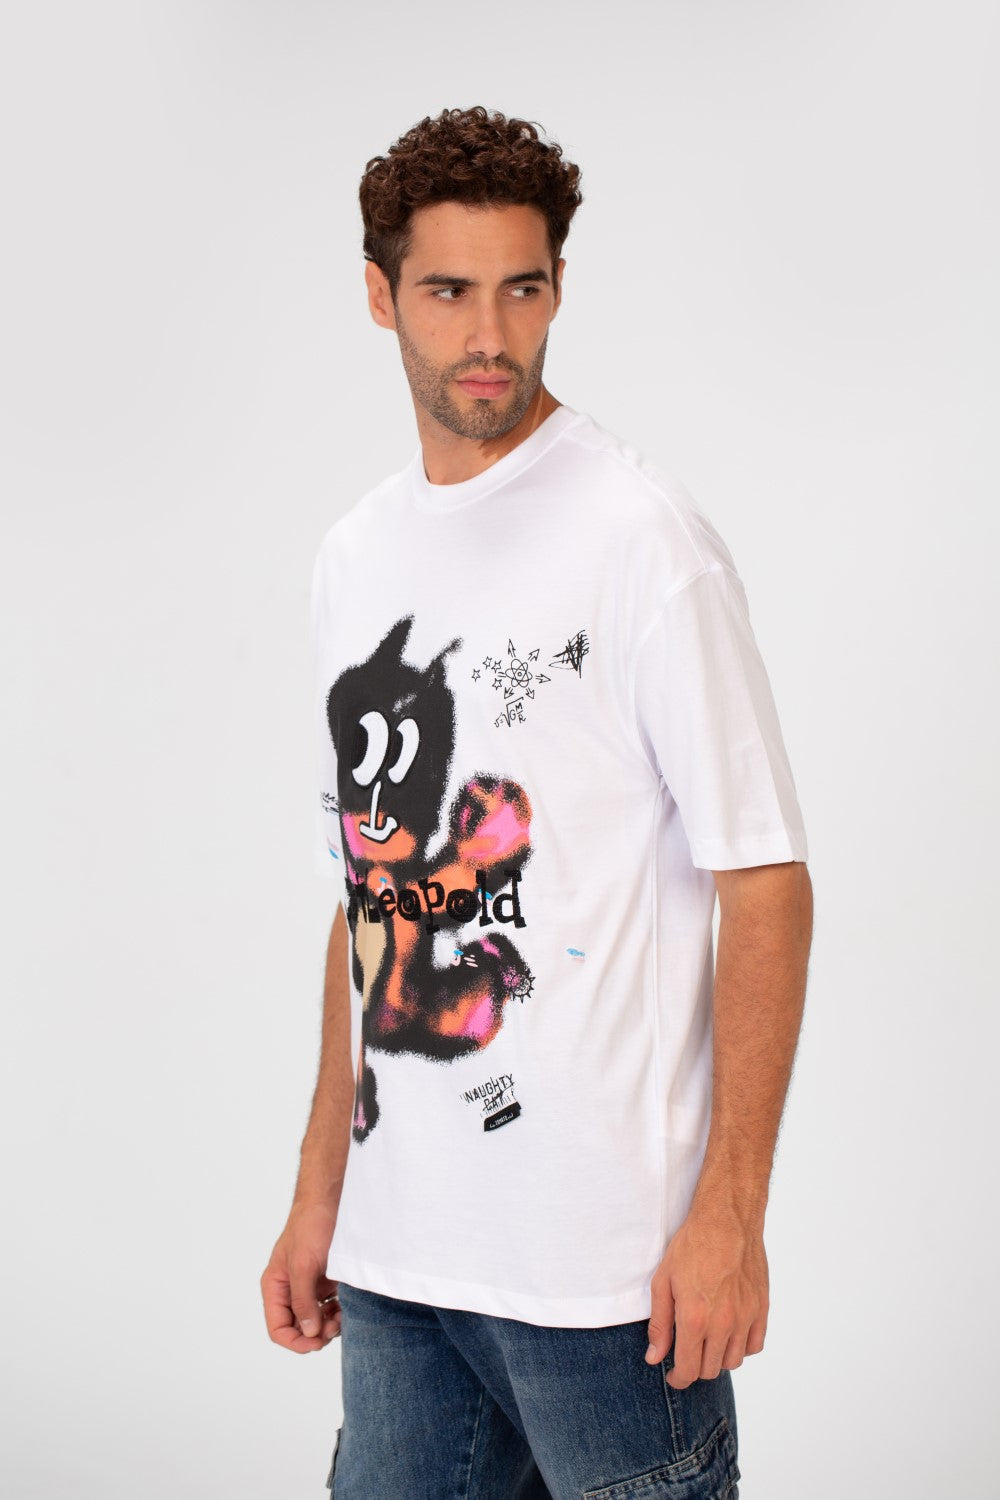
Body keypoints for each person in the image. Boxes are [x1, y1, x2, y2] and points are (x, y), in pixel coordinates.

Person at [261, 105, 813, 1500]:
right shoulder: (354, 556)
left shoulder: (643, 541)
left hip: (609, 1280)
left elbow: (765, 880)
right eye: (448, 291)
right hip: (399, 1268)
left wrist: (731, 1213)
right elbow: (366, 897)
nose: (489, 336)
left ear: (560, 285)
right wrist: (323, 1190)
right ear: (380, 295)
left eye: (523, 288)